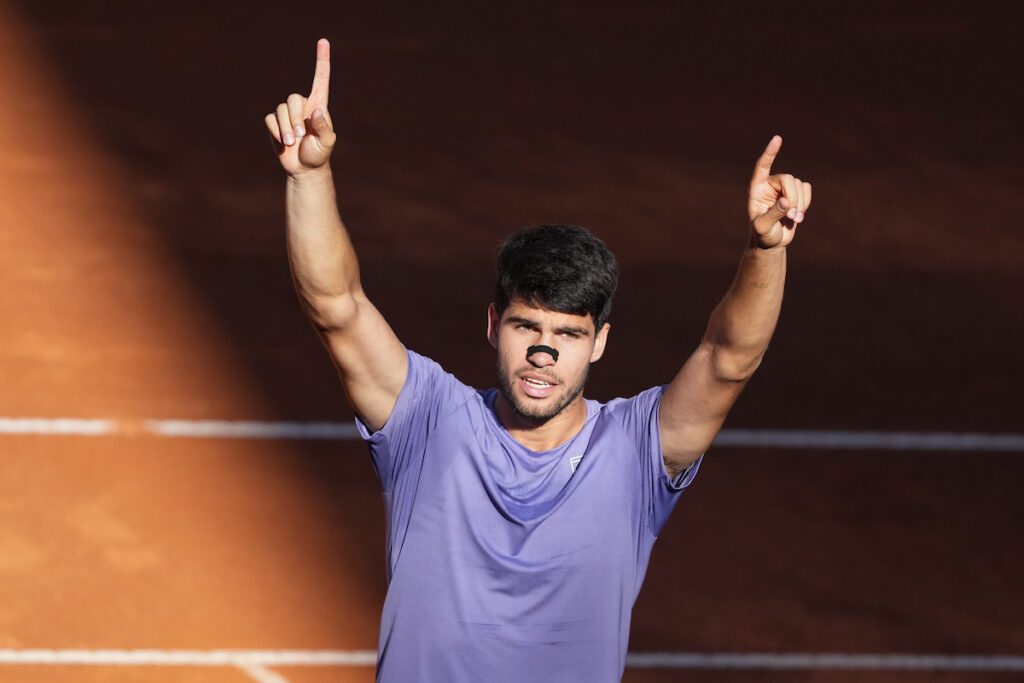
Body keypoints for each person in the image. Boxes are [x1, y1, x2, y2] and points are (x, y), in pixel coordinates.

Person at [265, 38, 811, 683]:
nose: (543, 351)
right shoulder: (428, 419)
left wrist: (765, 249)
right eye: (526, 325)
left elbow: (729, 358)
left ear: (599, 343)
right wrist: (309, 176)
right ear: (493, 326)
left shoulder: (637, 449)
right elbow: (337, 306)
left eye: (569, 334)